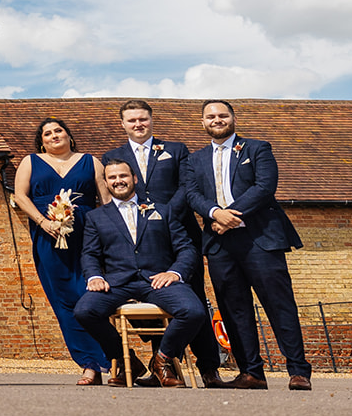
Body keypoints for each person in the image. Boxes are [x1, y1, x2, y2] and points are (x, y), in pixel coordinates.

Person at [183, 100, 312, 390]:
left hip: (260, 240)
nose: (217, 119)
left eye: (222, 115)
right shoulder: (195, 160)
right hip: (219, 244)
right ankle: (251, 372)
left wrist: (230, 215)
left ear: (233, 118)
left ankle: (298, 371)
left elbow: (265, 187)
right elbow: (191, 194)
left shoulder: (257, 148)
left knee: (279, 306)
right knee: (233, 310)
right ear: (203, 123)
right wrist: (215, 214)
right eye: (211, 116)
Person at [101, 99, 223, 387]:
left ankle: (209, 368)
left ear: (152, 119)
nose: (138, 124)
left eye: (142, 119)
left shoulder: (176, 150)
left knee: (193, 300)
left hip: (178, 232)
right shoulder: (112, 155)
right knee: (153, 297)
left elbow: (187, 187)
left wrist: (163, 215)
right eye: (131, 121)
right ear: (123, 124)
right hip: (141, 242)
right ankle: (162, 367)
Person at [73, 159, 206, 388]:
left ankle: (162, 359)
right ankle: (128, 361)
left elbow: (186, 248)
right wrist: (95, 277)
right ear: (105, 183)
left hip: (158, 280)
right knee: (84, 311)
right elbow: (90, 254)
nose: (118, 181)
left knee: (193, 311)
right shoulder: (96, 217)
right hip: (117, 283)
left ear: (134, 178)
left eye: (123, 176)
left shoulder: (163, 210)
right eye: (112, 178)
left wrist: (175, 272)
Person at [13, 117, 112, 385]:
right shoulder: (30, 162)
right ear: (41, 140)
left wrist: (111, 236)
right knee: (65, 301)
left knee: (90, 297)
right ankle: (89, 365)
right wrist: (43, 222)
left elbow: (105, 200)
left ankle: (112, 359)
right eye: (47, 133)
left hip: (88, 237)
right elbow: (20, 196)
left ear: (69, 135)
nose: (54, 135)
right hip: (49, 238)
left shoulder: (90, 161)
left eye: (59, 131)